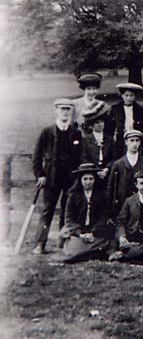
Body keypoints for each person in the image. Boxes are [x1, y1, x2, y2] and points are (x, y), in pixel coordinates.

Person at [32, 98, 82, 254]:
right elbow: (37, 156)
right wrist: (40, 175)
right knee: (48, 211)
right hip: (52, 179)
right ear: (56, 111)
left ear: (71, 112)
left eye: (68, 109)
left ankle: (63, 243)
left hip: (70, 179)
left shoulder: (76, 133)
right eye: (62, 109)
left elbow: (80, 157)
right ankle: (40, 244)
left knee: (67, 212)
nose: (65, 112)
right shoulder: (47, 132)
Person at [59, 164, 113, 263]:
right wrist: (80, 234)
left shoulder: (102, 195)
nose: (88, 182)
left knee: (104, 242)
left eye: (91, 179)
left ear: (95, 179)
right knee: (74, 248)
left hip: (95, 231)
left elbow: (103, 216)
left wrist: (93, 232)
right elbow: (69, 219)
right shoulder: (73, 195)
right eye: (85, 179)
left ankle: (88, 252)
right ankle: (90, 252)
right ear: (80, 180)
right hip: (78, 231)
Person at [107, 130, 143, 221]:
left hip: (142, 206)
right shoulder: (118, 164)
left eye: (137, 140)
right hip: (122, 206)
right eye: (132, 140)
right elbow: (111, 188)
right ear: (126, 142)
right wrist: (110, 213)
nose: (135, 144)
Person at [80, 101, 115, 190]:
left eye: (102, 122)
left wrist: (106, 169)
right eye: (97, 123)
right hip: (92, 173)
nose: (100, 125)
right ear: (91, 125)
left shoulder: (109, 139)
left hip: (107, 173)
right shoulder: (86, 140)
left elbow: (113, 157)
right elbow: (84, 158)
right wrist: (96, 170)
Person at [117, 171, 143, 246]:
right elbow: (120, 221)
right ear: (136, 185)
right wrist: (122, 236)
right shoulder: (129, 201)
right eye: (141, 183)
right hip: (134, 236)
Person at [110, 82, 143, 156]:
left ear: (135, 96)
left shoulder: (140, 109)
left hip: (136, 138)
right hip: (121, 139)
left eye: (131, 95)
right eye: (126, 95)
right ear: (122, 96)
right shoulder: (116, 109)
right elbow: (111, 126)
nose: (129, 98)